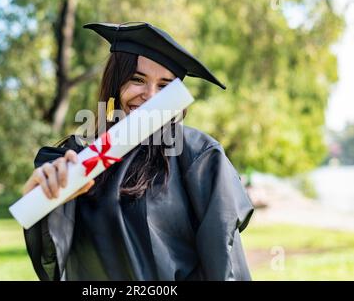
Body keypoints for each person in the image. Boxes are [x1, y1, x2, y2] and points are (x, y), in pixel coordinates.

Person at [22, 22, 254, 281]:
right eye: (137, 79)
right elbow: (53, 253)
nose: (150, 96)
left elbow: (224, 258)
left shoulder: (198, 156)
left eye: (164, 86)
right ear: (115, 81)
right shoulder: (77, 158)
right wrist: (43, 198)